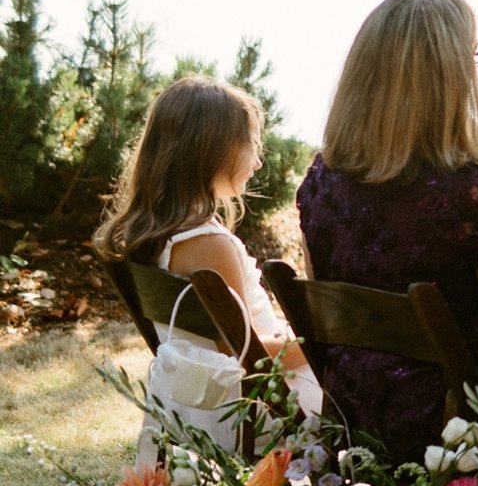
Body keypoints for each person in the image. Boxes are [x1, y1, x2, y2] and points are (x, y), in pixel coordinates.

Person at [296, 0, 478, 460]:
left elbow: (326, 294)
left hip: (357, 412)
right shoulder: (466, 193)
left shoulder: (321, 183)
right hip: (460, 424)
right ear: (447, 77)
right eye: (471, 55)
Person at [94, 77, 321, 455]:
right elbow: (242, 354)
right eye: (250, 144)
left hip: (195, 406)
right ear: (212, 149)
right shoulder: (208, 245)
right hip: (249, 407)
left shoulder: (158, 235)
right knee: (361, 393)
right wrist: (317, 345)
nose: (259, 160)